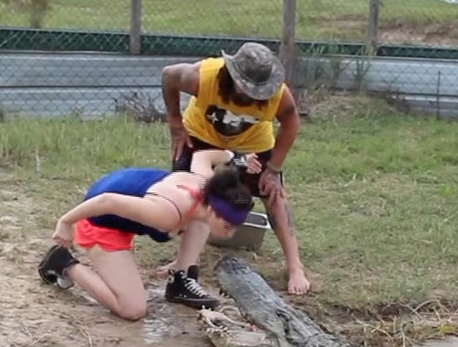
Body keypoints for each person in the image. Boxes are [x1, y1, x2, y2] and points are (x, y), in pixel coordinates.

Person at [159, 41, 310, 311]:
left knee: (274, 194)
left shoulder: (278, 95)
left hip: (253, 144)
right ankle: (184, 262)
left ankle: (295, 266)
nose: (256, 95)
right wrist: (174, 122)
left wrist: (273, 170)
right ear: (233, 75)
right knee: (192, 193)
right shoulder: (203, 77)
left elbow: (291, 122)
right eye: (249, 88)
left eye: (260, 91)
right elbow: (168, 75)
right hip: (200, 136)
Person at [37, 150, 255, 321]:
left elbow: (202, 156)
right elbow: (107, 202)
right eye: (227, 226)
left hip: (128, 191)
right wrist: (65, 222)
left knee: (201, 223)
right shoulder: (167, 214)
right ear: (212, 210)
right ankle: (64, 263)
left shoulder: (208, 185)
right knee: (132, 309)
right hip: (100, 218)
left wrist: (237, 157)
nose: (231, 233)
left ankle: (180, 277)